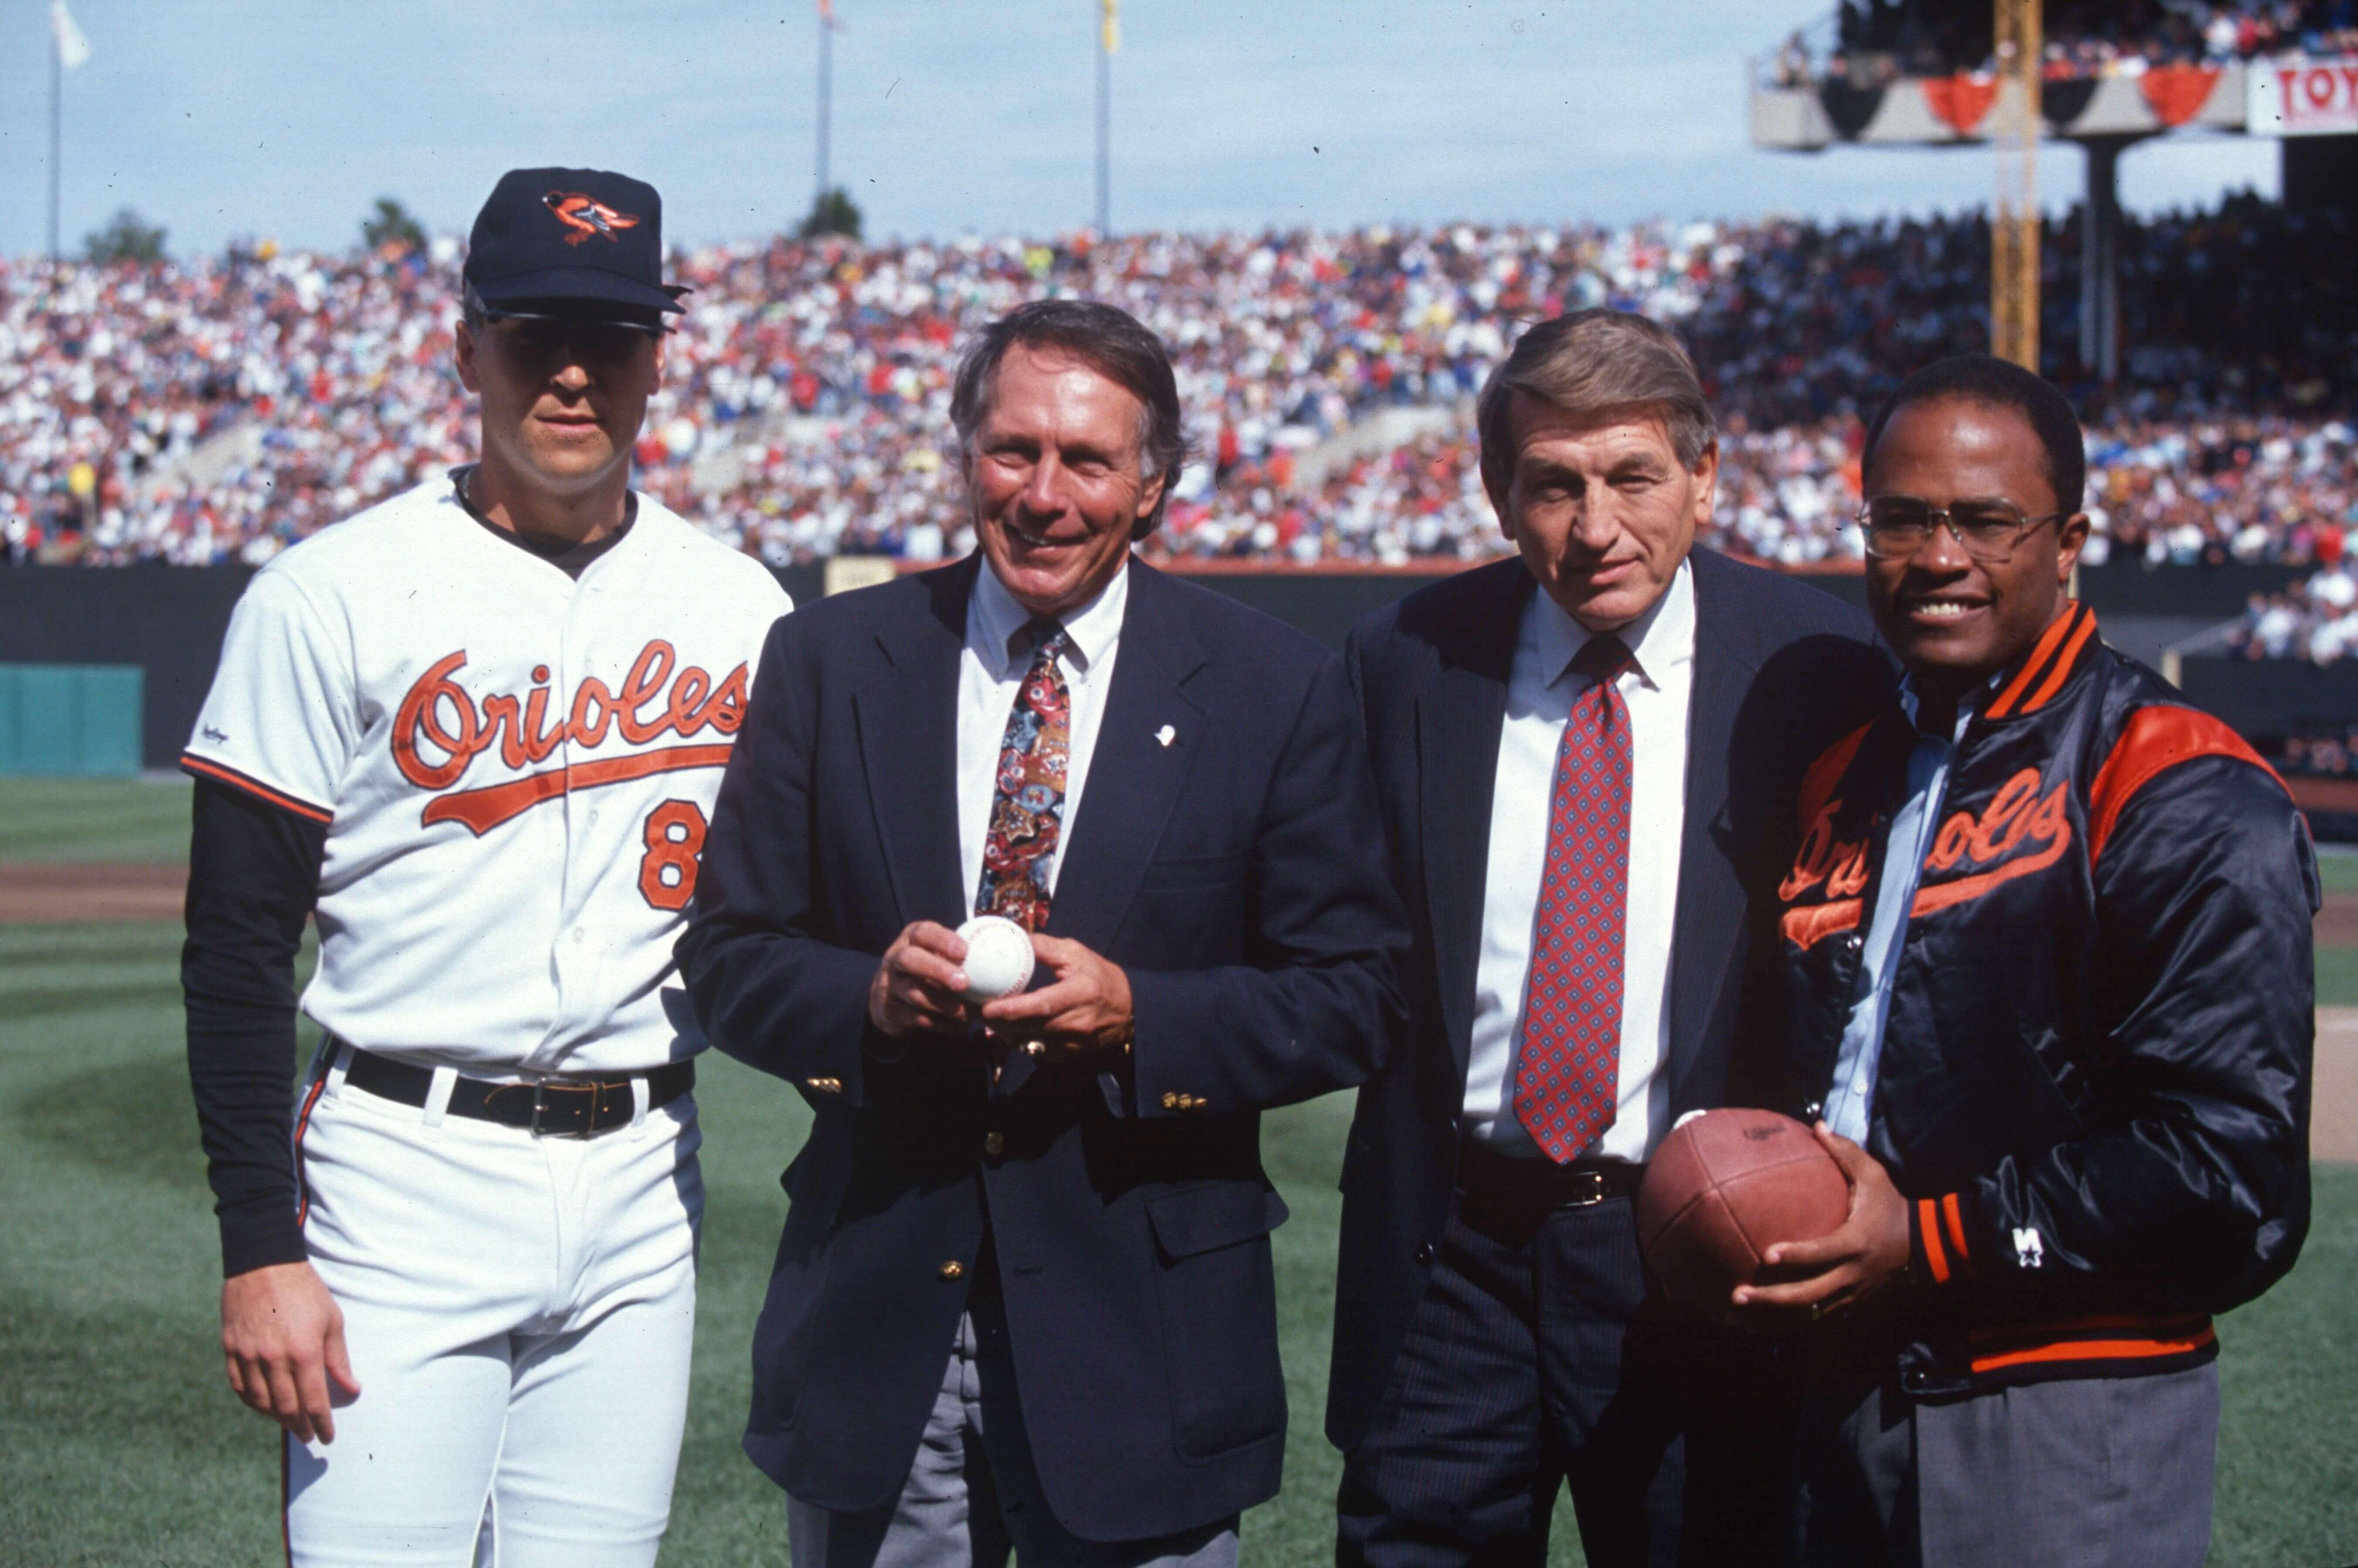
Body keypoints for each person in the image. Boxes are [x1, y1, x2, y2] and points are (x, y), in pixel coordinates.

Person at [678, 298, 1407, 1568]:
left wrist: (1145, 1017)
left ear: (1155, 484)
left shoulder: (1272, 685)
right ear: (966, 456)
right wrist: (870, 1001)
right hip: (880, 1319)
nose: (1045, 495)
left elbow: (1355, 993)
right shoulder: (831, 657)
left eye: (1089, 460)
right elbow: (730, 952)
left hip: (1142, 1339)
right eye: (1013, 450)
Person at [180, 167, 791, 1566]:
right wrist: (260, 1245)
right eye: (534, 336)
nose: (575, 375)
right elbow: (232, 951)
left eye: (616, 339)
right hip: (404, 1173)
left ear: (659, 359)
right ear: (465, 348)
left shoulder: (740, 605)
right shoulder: (326, 593)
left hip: (644, 1180)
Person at [1328, 307, 1889, 1566]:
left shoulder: (1819, 667)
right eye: (1553, 486)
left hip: (1709, 1253)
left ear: (1704, 475)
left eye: (1633, 476)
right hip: (1450, 1253)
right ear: (1495, 493)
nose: (1596, 528)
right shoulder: (1407, 659)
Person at [1740, 354, 2316, 1566]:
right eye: (1900, 518)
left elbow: (2231, 1171)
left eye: (1987, 521)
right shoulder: (1846, 773)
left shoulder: (2174, 776)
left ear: (2069, 543)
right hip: (1843, 1386)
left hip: (2064, 1397)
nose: (1940, 555)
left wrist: (1931, 1241)